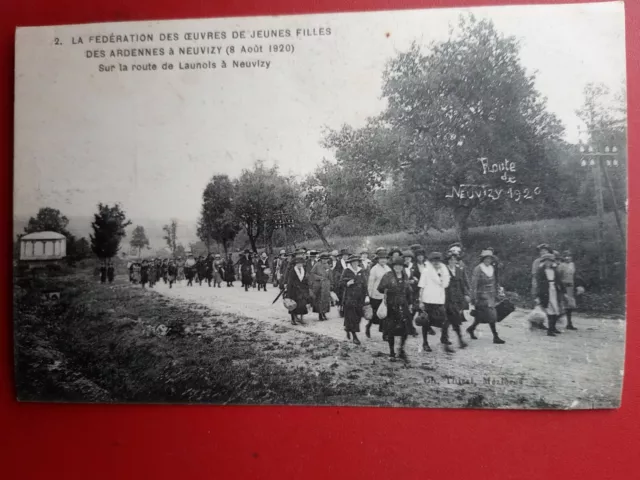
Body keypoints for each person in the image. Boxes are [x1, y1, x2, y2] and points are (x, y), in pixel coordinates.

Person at [467, 250, 506, 344]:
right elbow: (474, 284)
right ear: (483, 259)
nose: (488, 260)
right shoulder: (478, 269)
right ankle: (495, 336)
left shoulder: (492, 268)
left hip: (491, 295)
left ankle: (471, 329)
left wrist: (498, 292)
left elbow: (495, 282)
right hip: (481, 296)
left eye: (490, 258)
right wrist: (473, 297)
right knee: (492, 316)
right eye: (486, 258)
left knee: (480, 317)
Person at [378, 257, 413, 360]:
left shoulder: (405, 275)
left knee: (405, 329)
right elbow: (380, 288)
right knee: (391, 330)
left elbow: (408, 291)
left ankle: (401, 349)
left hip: (403, 305)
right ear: (393, 266)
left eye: (400, 265)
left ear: (403, 267)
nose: (398, 267)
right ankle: (392, 352)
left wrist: (410, 303)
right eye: (396, 265)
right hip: (391, 305)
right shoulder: (388, 275)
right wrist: (388, 289)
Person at [418, 252, 451, 352]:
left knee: (445, 320)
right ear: (431, 262)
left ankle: (444, 338)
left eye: (438, 260)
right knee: (426, 322)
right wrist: (421, 301)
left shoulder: (444, 271)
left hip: (440, 300)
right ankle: (425, 343)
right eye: (434, 261)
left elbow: (445, 284)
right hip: (428, 299)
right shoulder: (426, 271)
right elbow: (421, 286)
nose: (436, 262)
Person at [443, 251, 470, 352]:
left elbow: (462, 284)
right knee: (447, 321)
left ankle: (459, 341)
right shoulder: (444, 270)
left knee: (455, 320)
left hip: (457, 299)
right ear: (448, 261)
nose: (453, 261)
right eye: (451, 259)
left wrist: (466, 294)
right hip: (447, 299)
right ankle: (447, 343)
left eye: (455, 260)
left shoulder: (459, 270)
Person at [534, 253, 566, 337]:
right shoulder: (541, 271)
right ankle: (550, 329)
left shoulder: (554, 270)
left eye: (550, 261)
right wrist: (538, 295)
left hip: (554, 291)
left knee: (556, 309)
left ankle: (553, 327)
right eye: (546, 261)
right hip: (546, 291)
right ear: (544, 262)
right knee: (549, 310)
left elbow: (559, 281)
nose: (548, 263)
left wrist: (564, 291)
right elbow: (539, 284)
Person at [340, 254, 369, 345]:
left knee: (358, 317)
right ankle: (354, 336)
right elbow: (341, 283)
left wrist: (367, 295)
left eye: (356, 261)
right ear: (350, 263)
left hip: (360, 298)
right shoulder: (346, 271)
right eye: (353, 262)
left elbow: (365, 284)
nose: (355, 263)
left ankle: (347, 329)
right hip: (349, 298)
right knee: (351, 317)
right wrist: (347, 283)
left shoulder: (362, 271)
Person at [556, 250, 583, 330]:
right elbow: (558, 277)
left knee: (570, 305)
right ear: (563, 257)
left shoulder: (572, 265)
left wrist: (578, 285)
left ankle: (569, 323)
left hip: (570, 286)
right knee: (562, 304)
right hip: (563, 286)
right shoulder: (561, 265)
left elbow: (574, 276)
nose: (568, 258)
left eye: (569, 256)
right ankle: (556, 320)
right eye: (566, 256)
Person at [367, 250, 391, 339]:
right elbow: (370, 283)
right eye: (381, 259)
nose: (383, 261)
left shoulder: (388, 268)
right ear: (378, 260)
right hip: (376, 295)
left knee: (385, 314)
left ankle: (384, 333)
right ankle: (368, 326)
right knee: (375, 314)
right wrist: (369, 295)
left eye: (384, 259)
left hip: (385, 295)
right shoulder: (374, 269)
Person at [285, 256, 310, 325]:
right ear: (295, 264)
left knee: (302, 305)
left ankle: (301, 319)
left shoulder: (304, 270)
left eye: (301, 263)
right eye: (298, 263)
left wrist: (306, 288)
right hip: (294, 291)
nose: (300, 265)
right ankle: (293, 319)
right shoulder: (292, 271)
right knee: (293, 305)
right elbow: (290, 282)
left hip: (302, 291)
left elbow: (306, 280)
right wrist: (289, 293)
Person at [310, 252, 332, 321]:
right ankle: (320, 314)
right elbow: (312, 274)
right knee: (319, 300)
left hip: (326, 286)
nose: (325, 260)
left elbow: (330, 275)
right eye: (323, 259)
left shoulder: (328, 265)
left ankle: (324, 313)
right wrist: (320, 277)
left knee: (325, 300)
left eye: (326, 259)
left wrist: (331, 283)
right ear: (321, 259)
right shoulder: (317, 265)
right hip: (318, 285)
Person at [402, 251, 419, 336]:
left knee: (413, 308)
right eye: (406, 258)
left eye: (409, 258)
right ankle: (410, 328)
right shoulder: (401, 267)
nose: (407, 259)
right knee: (406, 309)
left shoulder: (413, 266)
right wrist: (407, 282)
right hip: (403, 291)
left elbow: (416, 276)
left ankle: (409, 327)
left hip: (412, 291)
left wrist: (415, 280)